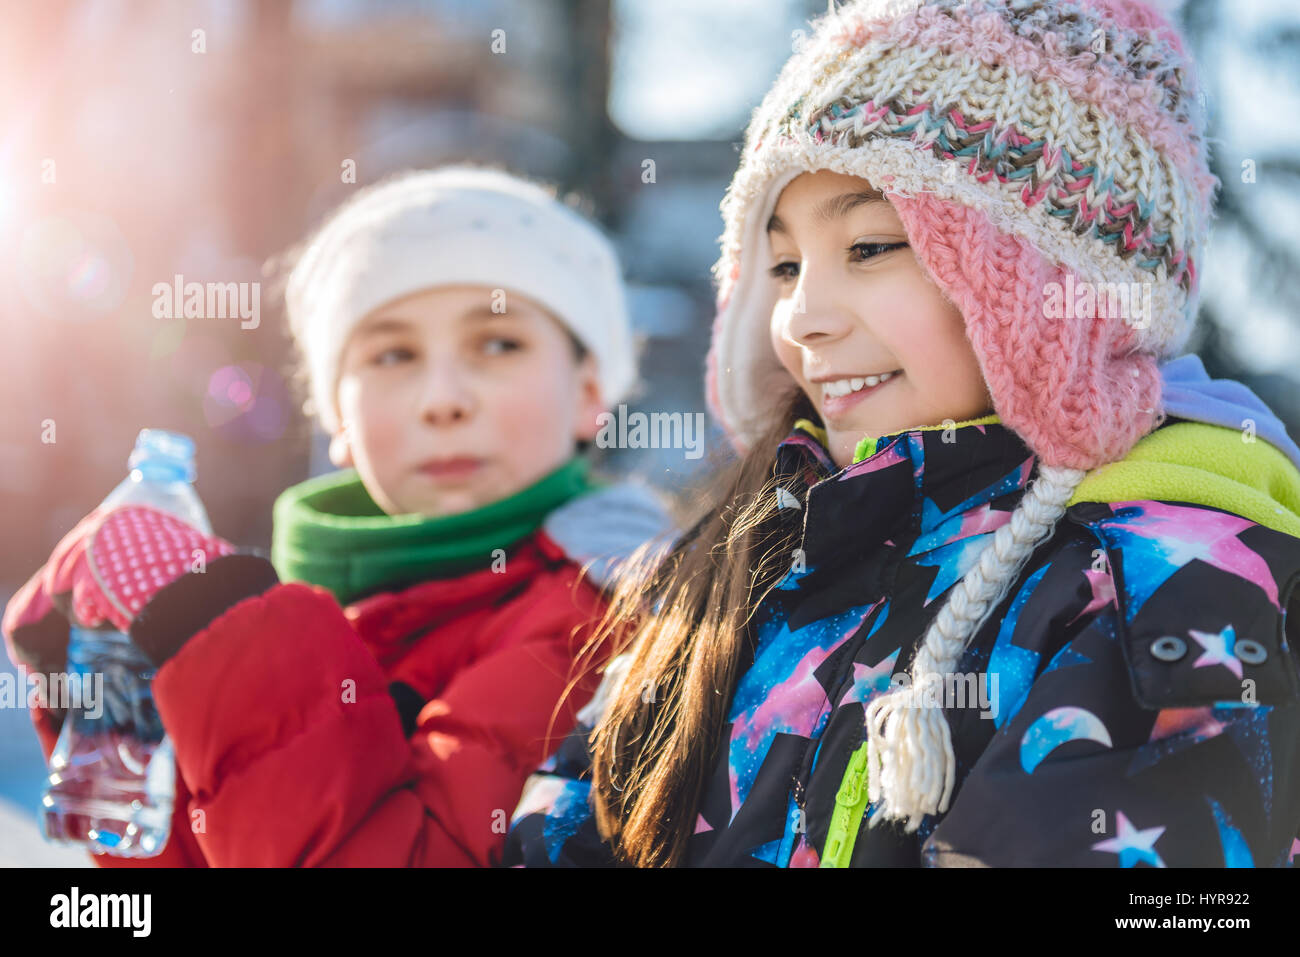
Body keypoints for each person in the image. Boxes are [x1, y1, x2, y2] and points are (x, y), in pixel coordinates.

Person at [503, 0, 1300, 867]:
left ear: (1054, 285)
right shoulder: (743, 561)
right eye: (782, 264)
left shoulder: (1165, 589)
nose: (801, 317)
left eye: (873, 246)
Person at [2, 165, 673, 867]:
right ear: (337, 420)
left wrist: (228, 644)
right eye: (393, 354)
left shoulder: (602, 614)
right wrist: (118, 709)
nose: (441, 400)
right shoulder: (329, 610)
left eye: (498, 344)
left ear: (590, 391)